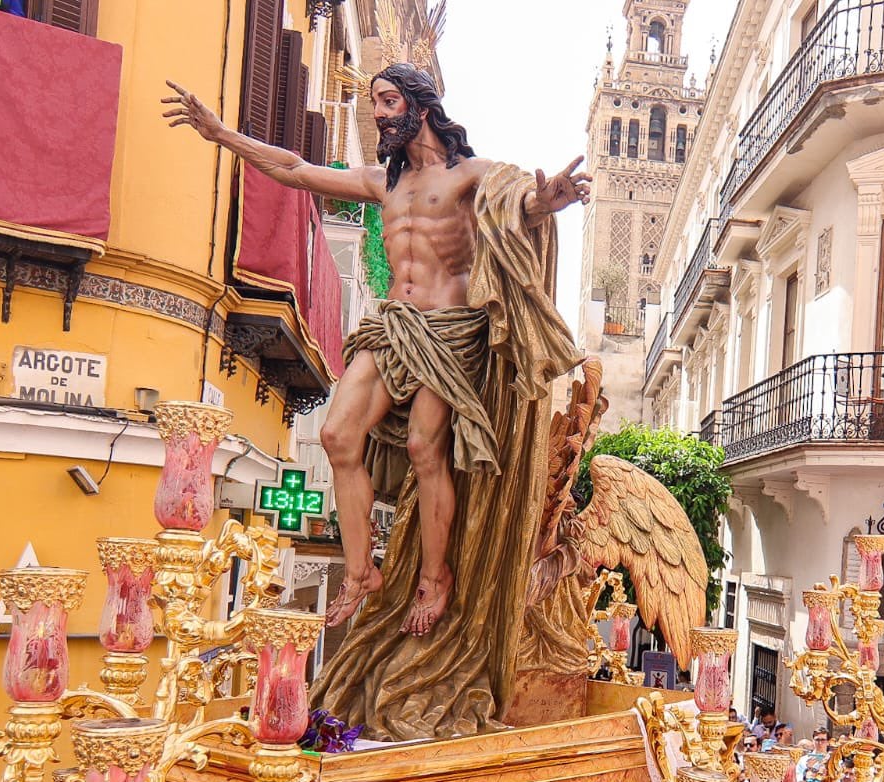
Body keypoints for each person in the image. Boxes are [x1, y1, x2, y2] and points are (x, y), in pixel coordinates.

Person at [163, 66, 585, 635]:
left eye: (389, 101)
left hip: (451, 329)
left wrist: (546, 201)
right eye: (377, 103)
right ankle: (361, 571)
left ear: (422, 107)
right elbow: (295, 169)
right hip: (392, 324)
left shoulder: (470, 176)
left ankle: (435, 579)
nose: (380, 114)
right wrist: (222, 135)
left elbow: (519, 206)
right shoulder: (379, 182)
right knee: (338, 435)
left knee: (423, 447)